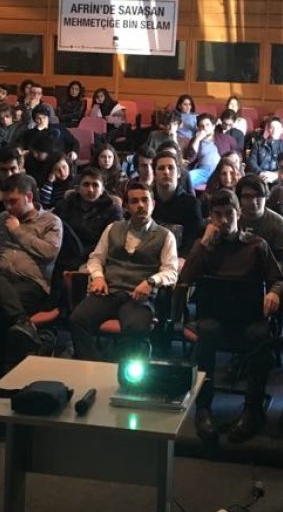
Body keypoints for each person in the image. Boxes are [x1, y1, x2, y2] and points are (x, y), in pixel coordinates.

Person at [179, 189, 283, 444]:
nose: (224, 220)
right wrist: (203, 245)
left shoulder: (256, 245)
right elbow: (185, 279)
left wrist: (273, 293)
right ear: (210, 217)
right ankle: (203, 408)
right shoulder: (204, 246)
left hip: (249, 317)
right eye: (217, 215)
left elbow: (279, 280)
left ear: (238, 214)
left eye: (229, 214)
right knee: (208, 331)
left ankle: (252, 410)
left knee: (260, 335)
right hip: (214, 317)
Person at [70, 180, 178, 361]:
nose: (140, 205)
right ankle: (92, 366)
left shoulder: (166, 236)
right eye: (134, 201)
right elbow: (96, 258)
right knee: (77, 319)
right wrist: (98, 277)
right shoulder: (112, 228)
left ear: (153, 204)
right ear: (126, 206)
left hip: (138, 297)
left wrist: (151, 282)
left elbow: (171, 271)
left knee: (135, 328)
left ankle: (123, 370)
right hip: (109, 292)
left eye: (145, 200)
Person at [0, 173, 63, 377]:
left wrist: (18, 232)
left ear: (29, 197)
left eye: (13, 201)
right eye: (5, 202)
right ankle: (22, 323)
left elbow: (49, 253)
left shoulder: (51, 221)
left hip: (30, 283)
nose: (8, 207)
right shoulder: (1, 219)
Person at [52, 167, 124, 257]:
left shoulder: (113, 210)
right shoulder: (66, 204)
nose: (90, 190)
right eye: (86, 185)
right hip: (63, 253)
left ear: (102, 190)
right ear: (78, 188)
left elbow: (113, 241)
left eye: (95, 185)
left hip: (95, 256)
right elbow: (51, 226)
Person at [151, 152, 202, 256]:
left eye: (171, 168)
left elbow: (192, 241)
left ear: (178, 173)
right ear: (154, 174)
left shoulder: (191, 204)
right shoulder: (146, 201)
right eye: (161, 168)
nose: (166, 172)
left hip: (179, 259)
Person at [237, 174, 283, 267]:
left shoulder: (278, 223)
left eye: (258, 196)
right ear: (239, 199)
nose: (253, 202)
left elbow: (280, 261)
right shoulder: (232, 219)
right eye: (247, 197)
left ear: (266, 197)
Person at [246, 117, 283, 185]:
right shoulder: (258, 144)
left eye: (277, 128)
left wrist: (276, 174)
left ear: (282, 130)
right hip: (260, 176)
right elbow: (251, 161)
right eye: (272, 128)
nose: (274, 130)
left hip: (278, 176)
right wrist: (261, 173)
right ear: (268, 129)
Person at [185, 113, 221, 191]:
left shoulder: (222, 139)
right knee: (188, 177)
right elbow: (190, 157)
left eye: (207, 125)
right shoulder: (195, 140)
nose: (205, 128)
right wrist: (198, 139)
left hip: (219, 171)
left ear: (213, 126)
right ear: (198, 128)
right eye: (202, 126)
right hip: (203, 171)